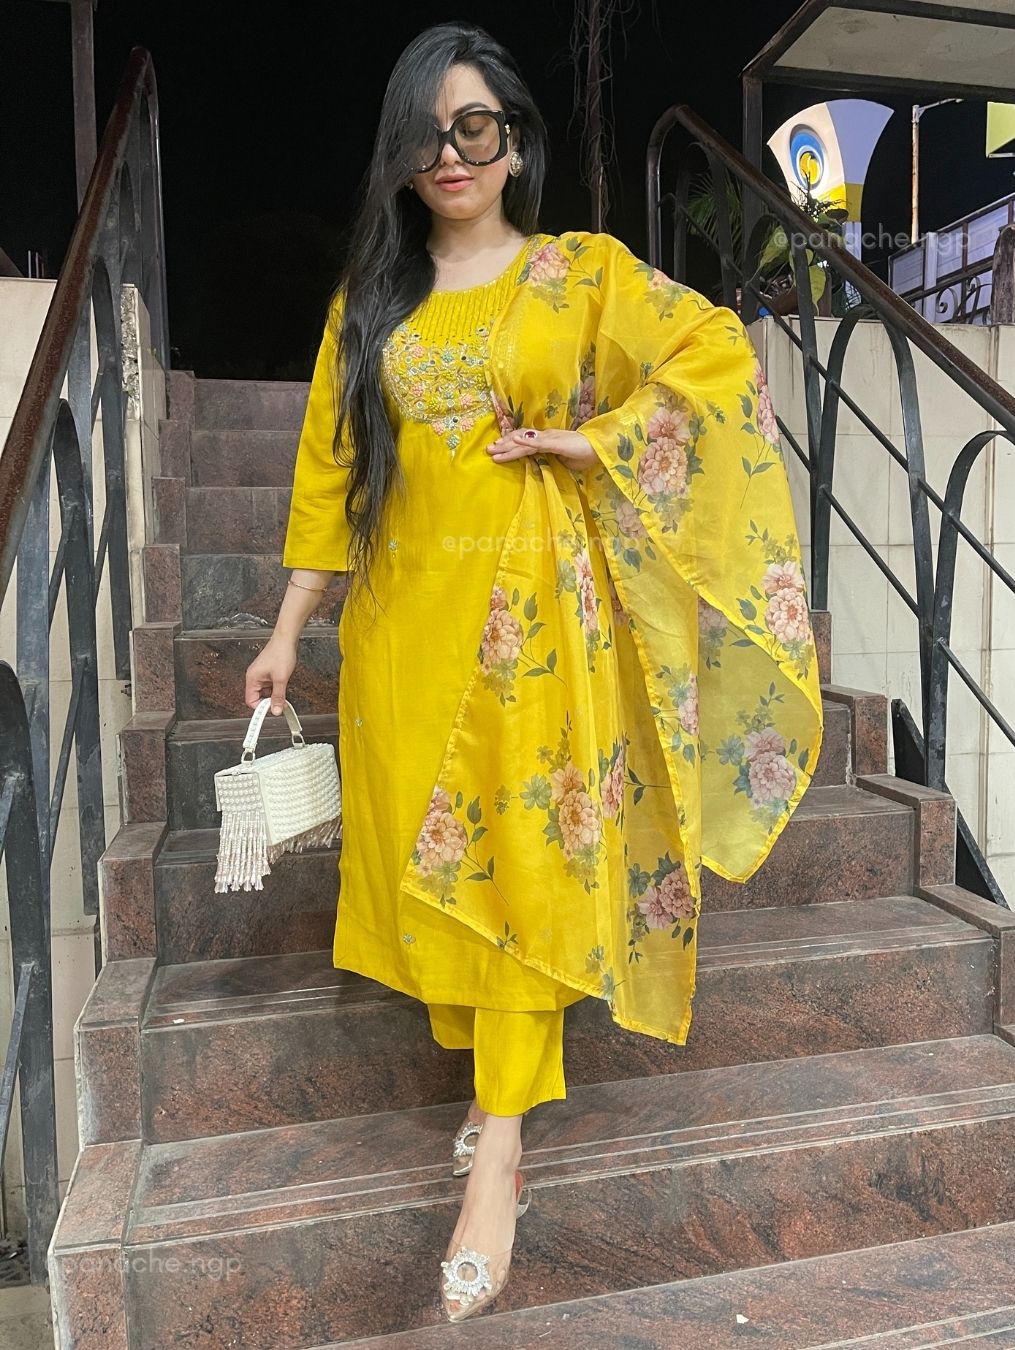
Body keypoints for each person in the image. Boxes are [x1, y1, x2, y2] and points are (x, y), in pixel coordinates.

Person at [244, 20, 823, 1324]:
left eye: (476, 128)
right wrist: (286, 632)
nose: (452, 154)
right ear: (401, 155)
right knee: (438, 867)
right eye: (428, 133)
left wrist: (593, 439)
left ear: (513, 141)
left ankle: (500, 1149)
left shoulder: (579, 277)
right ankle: (493, 1084)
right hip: (403, 635)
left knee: (520, 860)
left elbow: (715, 355)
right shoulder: (370, 306)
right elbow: (330, 479)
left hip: (536, 630)